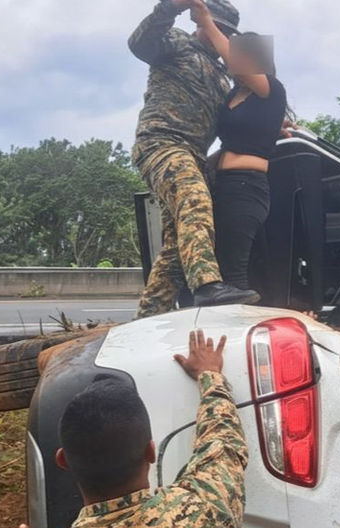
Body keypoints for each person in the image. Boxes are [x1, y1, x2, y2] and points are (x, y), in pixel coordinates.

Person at [130, 0, 257, 318]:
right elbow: (140, 43)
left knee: (177, 247)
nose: (219, 35)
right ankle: (207, 286)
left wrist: (274, 125)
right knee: (195, 200)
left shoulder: (223, 76)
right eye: (215, 27)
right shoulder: (177, 42)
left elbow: (242, 112)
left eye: (227, 32)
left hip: (195, 155)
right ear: (200, 23)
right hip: (162, 143)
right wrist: (169, 7)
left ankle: (147, 317)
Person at [57, 329, 247, 527]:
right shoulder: (202, 509)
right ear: (150, 451)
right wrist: (210, 375)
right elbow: (224, 442)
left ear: (63, 460)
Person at [193, 2, 287, 301]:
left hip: (247, 188)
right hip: (222, 185)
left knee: (234, 275)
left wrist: (208, 23)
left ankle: (238, 334)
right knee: (215, 268)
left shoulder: (272, 89)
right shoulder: (234, 95)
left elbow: (243, 69)